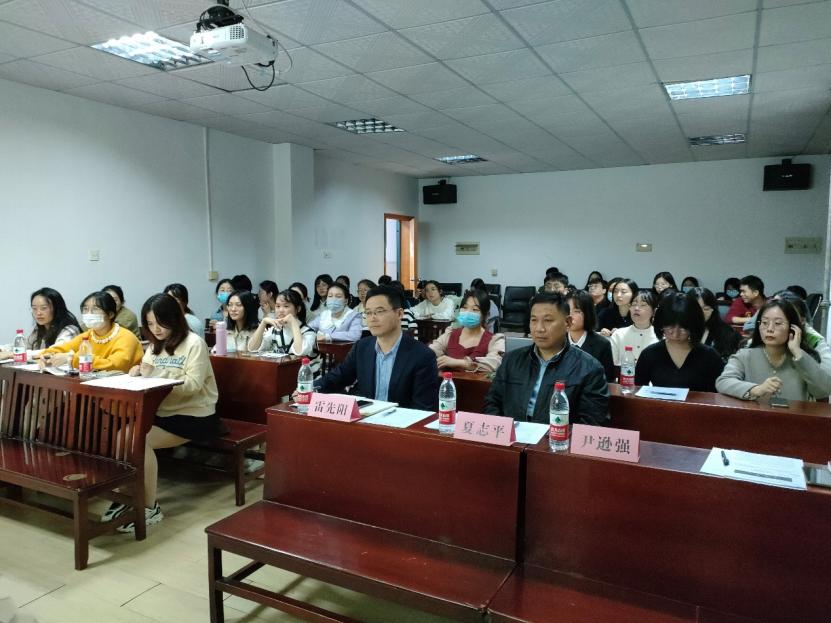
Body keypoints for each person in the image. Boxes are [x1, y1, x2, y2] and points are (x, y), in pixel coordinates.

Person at [105, 293, 222, 532]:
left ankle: (149, 507)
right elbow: (149, 374)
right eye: (150, 324)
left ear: (174, 318)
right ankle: (125, 496)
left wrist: (156, 374)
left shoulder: (194, 343)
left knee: (139, 441)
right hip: (163, 413)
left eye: (160, 323)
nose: (155, 329)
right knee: (120, 437)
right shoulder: (154, 347)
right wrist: (137, 372)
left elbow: (193, 386)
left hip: (195, 415)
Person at [483, 292, 609, 425]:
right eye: (534, 320)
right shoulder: (512, 360)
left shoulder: (589, 368)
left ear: (567, 323)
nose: (539, 328)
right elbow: (492, 403)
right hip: (512, 435)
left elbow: (592, 422)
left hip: (558, 437)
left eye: (548, 320)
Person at [312, 285, 439, 410]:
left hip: (401, 422)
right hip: (366, 418)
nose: (372, 318)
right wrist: (310, 388)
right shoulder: (362, 347)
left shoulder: (422, 356)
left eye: (379, 311)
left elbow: (423, 408)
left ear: (399, 313)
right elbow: (338, 377)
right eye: (368, 312)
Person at [716, 300, 831, 401]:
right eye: (764, 323)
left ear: (793, 328)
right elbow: (723, 382)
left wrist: (797, 352)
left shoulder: (805, 358)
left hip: (795, 418)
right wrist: (755, 389)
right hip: (755, 417)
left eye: (777, 323)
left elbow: (824, 391)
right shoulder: (745, 355)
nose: (770, 329)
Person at [635, 292, 724, 392]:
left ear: (694, 326)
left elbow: (719, 393)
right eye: (670, 327)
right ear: (661, 324)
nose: (675, 334)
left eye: (683, 328)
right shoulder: (649, 354)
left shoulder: (709, 356)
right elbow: (638, 390)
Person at [40, 291, 142, 372]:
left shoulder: (126, 337)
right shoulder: (88, 335)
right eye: (85, 309)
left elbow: (115, 365)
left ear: (110, 314)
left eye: (95, 309)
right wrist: (46, 356)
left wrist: (71, 358)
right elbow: (62, 349)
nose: (88, 314)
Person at [429, 289, 505, 373]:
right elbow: (430, 352)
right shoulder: (450, 334)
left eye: (475, 309)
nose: (468, 312)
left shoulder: (495, 340)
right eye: (464, 308)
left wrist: (461, 363)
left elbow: (493, 364)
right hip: (447, 381)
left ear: (486, 315)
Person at [4, 288, 81, 357]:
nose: (38, 313)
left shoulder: (70, 330)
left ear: (57, 309)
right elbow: (23, 346)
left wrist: (13, 354)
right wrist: (3, 349)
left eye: (43, 308)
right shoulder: (40, 329)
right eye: (34, 308)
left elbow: (53, 352)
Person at [248, 289, 318, 363]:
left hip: (303, 369)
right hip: (279, 369)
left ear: (298, 309)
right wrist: (263, 322)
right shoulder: (275, 329)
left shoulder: (308, 332)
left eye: (286, 306)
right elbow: (252, 349)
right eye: (278, 306)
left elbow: (300, 352)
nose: (280, 310)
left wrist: (293, 323)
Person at [566, 290, 614, 382]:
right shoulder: (556, 342)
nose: (570, 316)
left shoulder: (602, 345)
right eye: (567, 310)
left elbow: (608, 380)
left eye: (577, 311)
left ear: (588, 313)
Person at [609, 289, 658, 367]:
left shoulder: (661, 337)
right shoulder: (619, 334)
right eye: (634, 304)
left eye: (643, 305)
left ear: (654, 311)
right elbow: (612, 365)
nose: (636, 308)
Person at [694, 287, 740, 362]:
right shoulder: (680, 330)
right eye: (695, 309)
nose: (700, 313)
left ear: (713, 310)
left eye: (706, 309)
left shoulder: (727, 333)